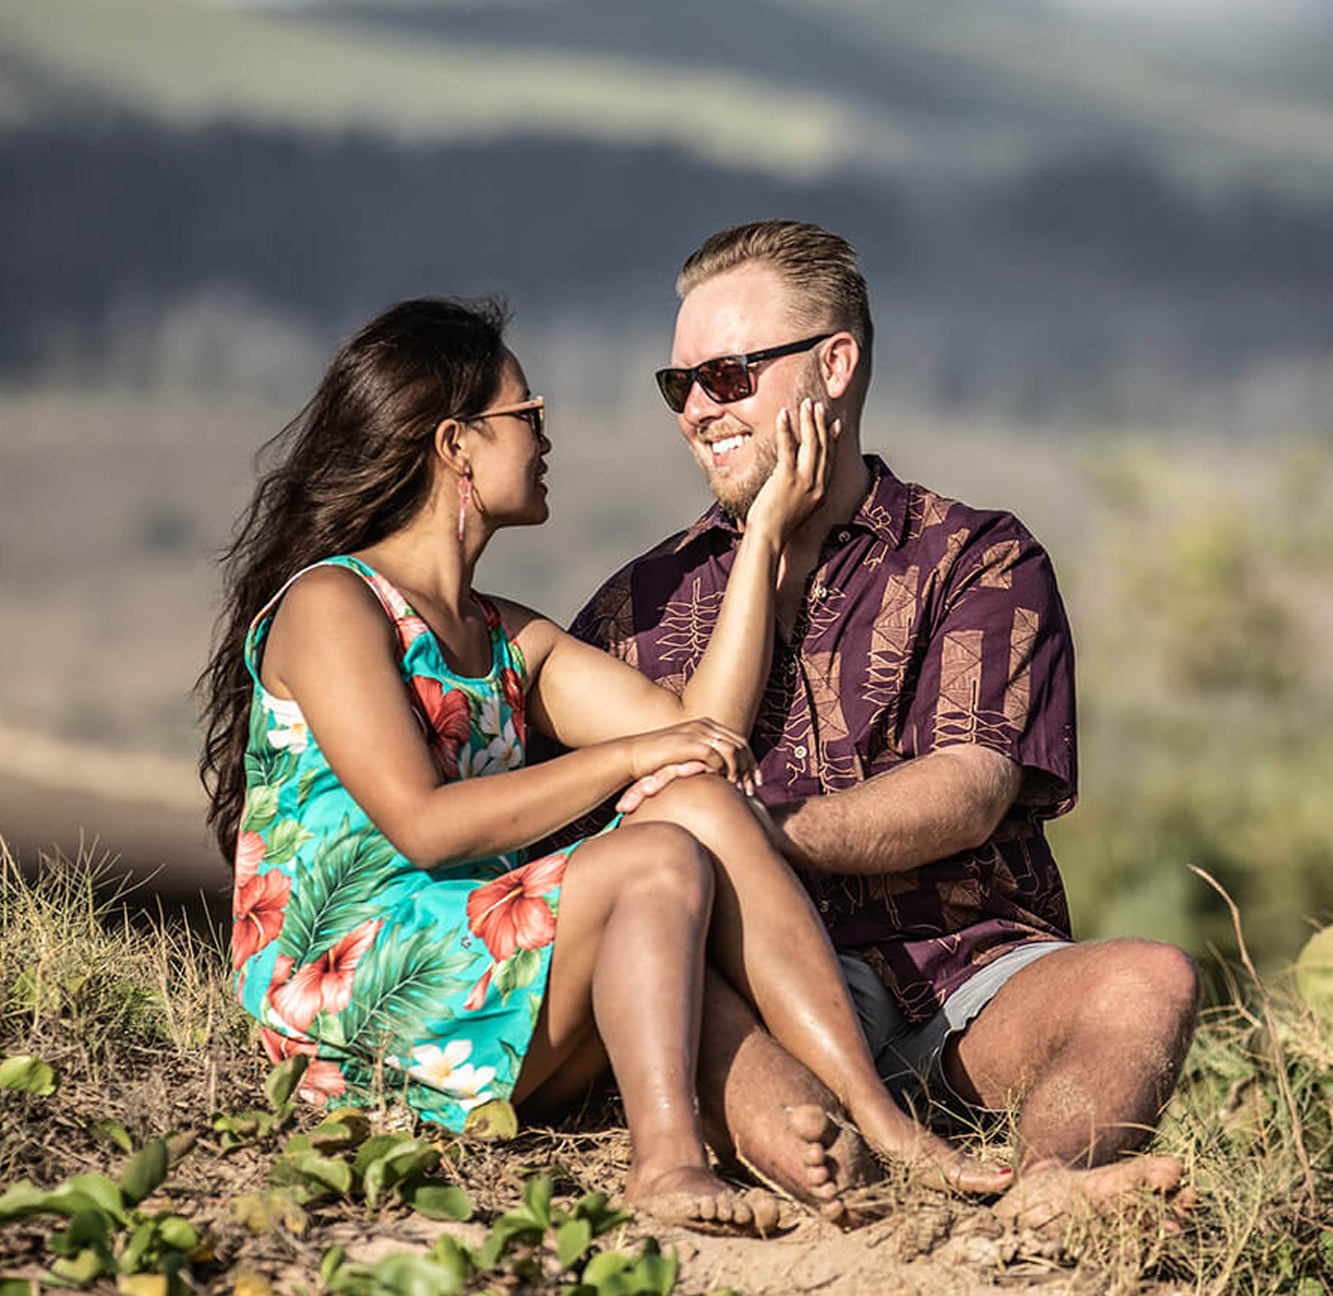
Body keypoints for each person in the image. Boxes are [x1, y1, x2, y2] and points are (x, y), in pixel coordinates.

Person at [198, 296, 1009, 1231]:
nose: (547, 437)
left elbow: (699, 732)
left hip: (481, 963)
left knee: (696, 805)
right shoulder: (334, 605)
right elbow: (423, 825)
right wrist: (632, 755)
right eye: (526, 417)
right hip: (352, 993)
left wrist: (765, 543)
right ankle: (664, 1160)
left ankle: (875, 1115)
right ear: (455, 445)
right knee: (656, 854)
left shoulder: (509, 637)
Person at [570, 222, 1200, 1228]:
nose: (695, 409)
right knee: (667, 977)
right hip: (750, 989)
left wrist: (750, 835)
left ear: (834, 364)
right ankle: (808, 1142)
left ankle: (1043, 1199)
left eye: (726, 375)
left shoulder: (978, 559)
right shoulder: (632, 607)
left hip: (967, 980)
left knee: (1149, 979)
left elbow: (969, 788)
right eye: (675, 384)